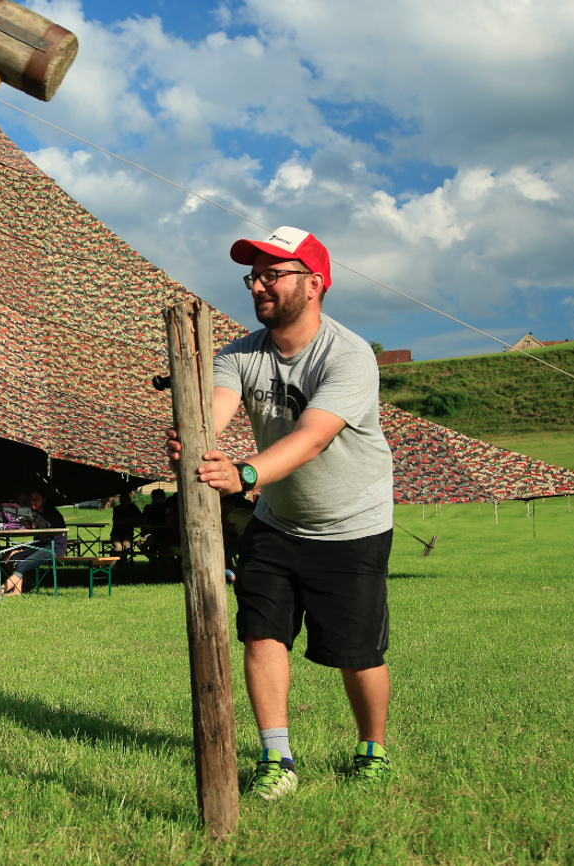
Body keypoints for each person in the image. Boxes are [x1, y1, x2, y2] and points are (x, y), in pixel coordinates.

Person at [167, 226, 395, 801]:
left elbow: (314, 437)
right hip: (277, 521)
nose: (259, 286)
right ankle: (278, 758)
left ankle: (372, 748)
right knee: (262, 634)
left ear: (315, 284)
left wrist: (244, 473)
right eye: (254, 276)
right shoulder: (240, 353)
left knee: (356, 653)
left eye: (274, 275)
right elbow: (213, 410)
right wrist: (193, 441)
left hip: (351, 526)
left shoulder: (348, 356)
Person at [0, 489, 66, 597]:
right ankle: (17, 591)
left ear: (44, 500)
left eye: (37, 499)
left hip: (54, 547)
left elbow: (43, 527)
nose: (33, 501)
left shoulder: (50, 512)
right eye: (32, 499)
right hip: (40, 544)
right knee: (13, 558)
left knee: (21, 564)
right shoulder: (34, 512)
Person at [108, 490, 142, 559]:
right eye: (122, 501)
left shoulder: (133, 508)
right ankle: (112, 562)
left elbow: (140, 517)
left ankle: (123, 563)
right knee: (118, 548)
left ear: (129, 501)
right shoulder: (117, 509)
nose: (123, 503)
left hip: (128, 534)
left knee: (127, 546)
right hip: (116, 534)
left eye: (125, 501)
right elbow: (115, 523)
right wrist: (130, 519)